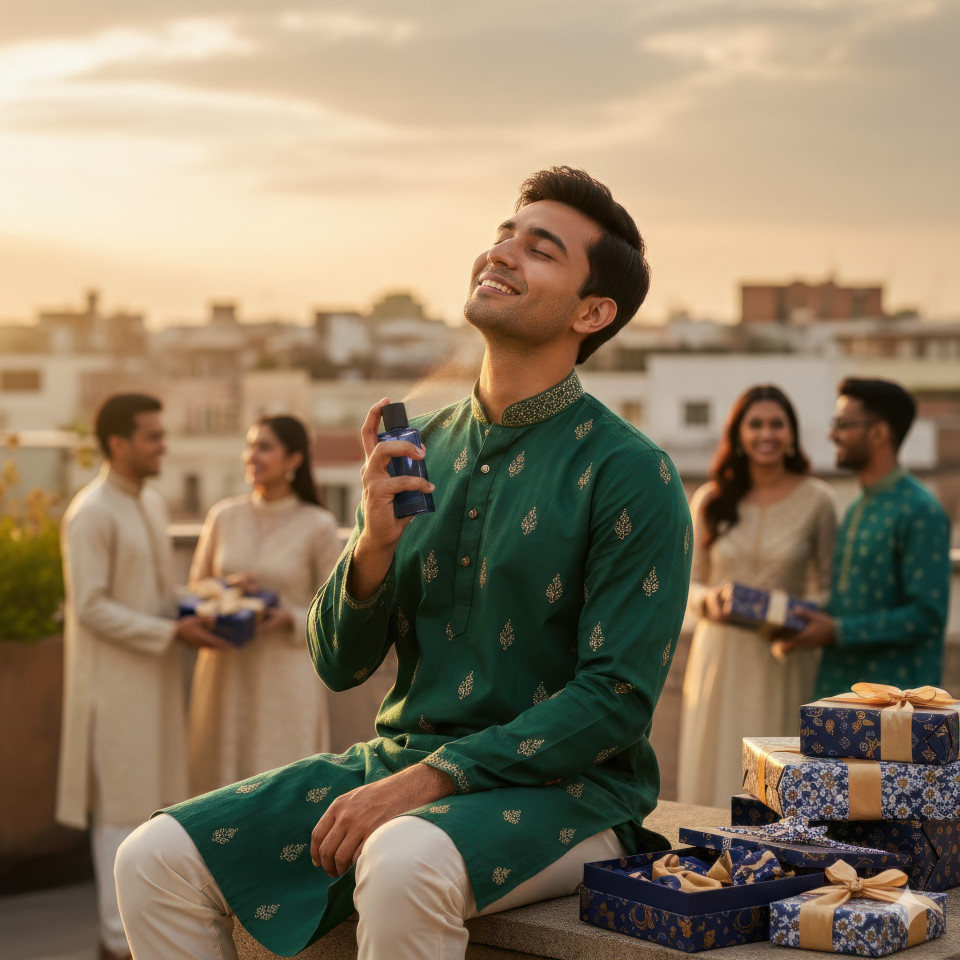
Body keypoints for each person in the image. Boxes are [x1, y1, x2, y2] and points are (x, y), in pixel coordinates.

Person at [115, 166, 692, 960]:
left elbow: (617, 698)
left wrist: (433, 780)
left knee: (399, 857)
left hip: (573, 794)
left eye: (541, 249)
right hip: (398, 760)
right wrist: (373, 545)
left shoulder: (631, 471)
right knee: (153, 860)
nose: (502, 253)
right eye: (503, 235)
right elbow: (339, 663)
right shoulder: (417, 449)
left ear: (592, 312)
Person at [56, 393, 227, 960]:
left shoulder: (150, 502)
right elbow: (91, 607)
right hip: (113, 692)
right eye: (152, 436)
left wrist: (201, 607)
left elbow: (155, 595)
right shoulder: (91, 512)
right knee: (121, 814)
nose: (163, 446)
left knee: (157, 805)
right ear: (117, 444)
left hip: (155, 684)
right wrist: (170, 633)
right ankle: (115, 943)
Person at [676, 385, 837, 808]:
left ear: (792, 434)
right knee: (717, 759)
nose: (766, 434)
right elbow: (687, 584)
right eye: (756, 424)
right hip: (720, 653)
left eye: (776, 424)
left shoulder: (818, 500)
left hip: (783, 654)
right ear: (738, 435)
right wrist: (710, 601)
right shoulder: (711, 499)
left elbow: (829, 588)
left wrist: (790, 612)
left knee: (778, 770)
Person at [187, 414, 343, 794]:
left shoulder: (317, 525)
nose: (251, 455)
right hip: (226, 667)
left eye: (264, 447)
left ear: (294, 460)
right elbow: (195, 587)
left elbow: (337, 608)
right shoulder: (223, 516)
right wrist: (227, 586)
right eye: (249, 445)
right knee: (219, 782)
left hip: (284, 674)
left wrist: (286, 616)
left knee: (280, 780)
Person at [778, 378, 951, 699]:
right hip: (841, 699)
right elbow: (851, 601)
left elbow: (926, 615)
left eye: (843, 424)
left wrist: (837, 631)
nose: (832, 435)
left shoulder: (920, 510)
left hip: (894, 709)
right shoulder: (858, 506)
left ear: (878, 432)